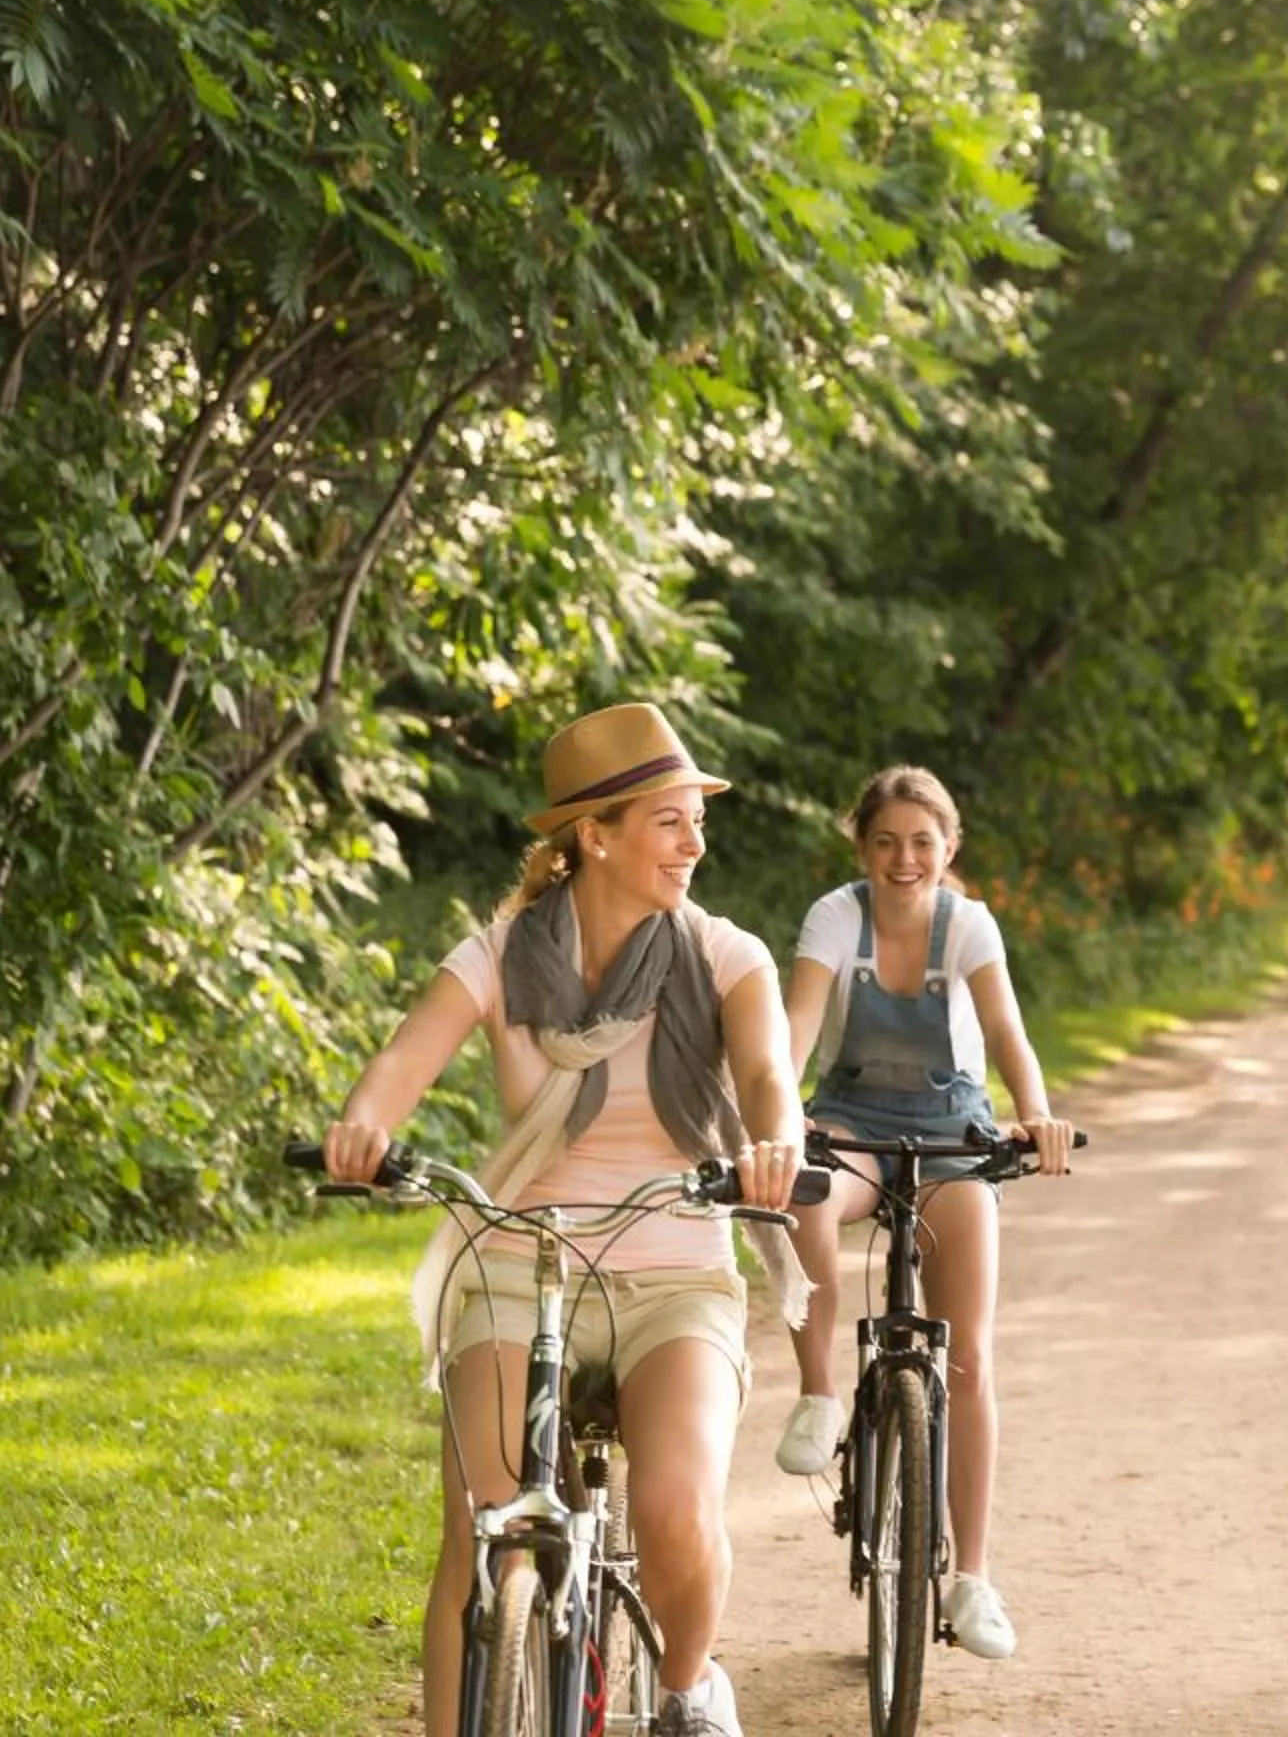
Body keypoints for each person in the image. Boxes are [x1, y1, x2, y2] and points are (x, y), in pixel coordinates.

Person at [321, 703, 808, 1737]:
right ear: (595, 834)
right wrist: (364, 1127)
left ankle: (686, 1686)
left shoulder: (725, 954)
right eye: (670, 821)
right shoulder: (501, 956)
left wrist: (776, 1142)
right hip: (522, 1266)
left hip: (675, 1271)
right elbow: (403, 1062)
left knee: (675, 1511)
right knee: (480, 1528)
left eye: (697, 821)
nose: (694, 843)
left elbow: (768, 1071)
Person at [769, 764, 1077, 1662]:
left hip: (952, 1131)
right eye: (885, 842)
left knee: (969, 1356)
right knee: (804, 1195)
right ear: (861, 847)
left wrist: (1037, 1113)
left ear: (949, 848)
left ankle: (971, 1577)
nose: (903, 859)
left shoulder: (968, 925)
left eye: (921, 843)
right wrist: (779, 1114)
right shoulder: (837, 917)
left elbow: (1008, 1031)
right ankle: (819, 1395)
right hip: (853, 1123)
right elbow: (796, 1026)